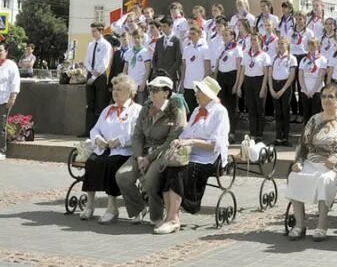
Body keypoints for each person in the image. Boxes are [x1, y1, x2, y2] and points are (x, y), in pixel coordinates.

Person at [154, 76, 230, 235]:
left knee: (180, 172)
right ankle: (171, 215)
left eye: (199, 91)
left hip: (209, 159)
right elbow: (186, 134)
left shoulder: (220, 112)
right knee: (168, 169)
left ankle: (173, 219)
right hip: (190, 155)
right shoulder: (196, 110)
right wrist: (178, 141)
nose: (195, 94)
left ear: (208, 95)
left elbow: (214, 145)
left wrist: (192, 142)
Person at [285, 83, 337, 241]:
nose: (327, 100)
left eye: (331, 96)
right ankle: (299, 225)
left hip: (331, 166)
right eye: (324, 96)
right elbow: (303, 145)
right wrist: (297, 161)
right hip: (311, 162)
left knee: (324, 181)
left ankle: (322, 225)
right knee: (294, 177)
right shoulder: (313, 120)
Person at [117, 76, 186, 225]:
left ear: (166, 93)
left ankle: (156, 216)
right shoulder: (146, 108)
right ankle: (138, 208)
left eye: (156, 90)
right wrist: (139, 156)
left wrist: (149, 158)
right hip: (143, 152)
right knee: (122, 176)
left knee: (150, 181)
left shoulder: (176, 111)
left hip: (162, 153)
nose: (151, 92)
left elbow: (170, 141)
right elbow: (137, 135)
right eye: (150, 89)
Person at [80, 74, 143, 223]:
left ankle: (112, 207)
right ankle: (90, 204)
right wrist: (98, 139)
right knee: (92, 162)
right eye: (114, 89)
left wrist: (120, 141)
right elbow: (95, 129)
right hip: (104, 148)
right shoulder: (108, 109)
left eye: (119, 89)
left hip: (124, 151)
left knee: (111, 164)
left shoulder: (136, 110)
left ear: (130, 92)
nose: (115, 92)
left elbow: (138, 134)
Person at [235, 32, 271, 140]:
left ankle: (259, 134)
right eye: (252, 40)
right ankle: (253, 134)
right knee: (251, 109)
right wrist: (239, 86)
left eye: (255, 40)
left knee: (260, 109)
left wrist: (263, 87)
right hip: (248, 82)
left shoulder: (264, 55)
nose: (253, 42)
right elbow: (242, 71)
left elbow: (266, 74)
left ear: (260, 41)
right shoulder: (246, 54)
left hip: (259, 81)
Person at [265, 36, 297, 145]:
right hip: (275, 85)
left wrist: (283, 90)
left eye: (282, 44)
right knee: (277, 113)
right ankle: (278, 137)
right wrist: (271, 89)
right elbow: (269, 74)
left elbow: (292, 76)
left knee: (285, 112)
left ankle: (286, 138)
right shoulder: (273, 58)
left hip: (285, 87)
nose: (280, 46)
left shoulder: (291, 58)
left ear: (287, 45)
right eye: (279, 44)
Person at [84, 23, 114, 131]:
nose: (92, 34)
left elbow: (104, 64)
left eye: (94, 31)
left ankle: (99, 130)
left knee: (100, 104)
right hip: (90, 74)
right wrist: (90, 72)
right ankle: (88, 129)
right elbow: (86, 61)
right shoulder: (90, 45)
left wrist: (94, 77)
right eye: (91, 31)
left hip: (100, 77)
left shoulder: (106, 45)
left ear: (101, 31)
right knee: (89, 104)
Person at [296, 37, 327, 123]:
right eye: (310, 44)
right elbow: (300, 76)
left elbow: (321, 77)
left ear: (318, 45)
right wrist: (305, 90)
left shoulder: (322, 60)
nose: (311, 46)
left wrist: (313, 91)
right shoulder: (303, 60)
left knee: (316, 115)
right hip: (305, 91)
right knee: (306, 115)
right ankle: (307, 135)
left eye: (314, 44)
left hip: (317, 91)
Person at [180, 23, 209, 112]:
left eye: (193, 34)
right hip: (188, 83)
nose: (191, 36)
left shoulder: (205, 48)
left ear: (199, 34)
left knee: (200, 109)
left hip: (199, 83)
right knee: (188, 109)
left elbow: (207, 67)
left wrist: (204, 84)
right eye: (190, 34)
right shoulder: (187, 48)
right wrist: (182, 82)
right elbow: (184, 66)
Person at [150, 16, 183, 89]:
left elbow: (178, 60)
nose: (162, 28)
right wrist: (156, 70)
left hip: (171, 75)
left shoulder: (176, 40)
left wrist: (168, 73)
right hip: (159, 75)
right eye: (161, 26)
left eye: (165, 26)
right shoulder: (159, 40)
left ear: (171, 26)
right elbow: (155, 57)